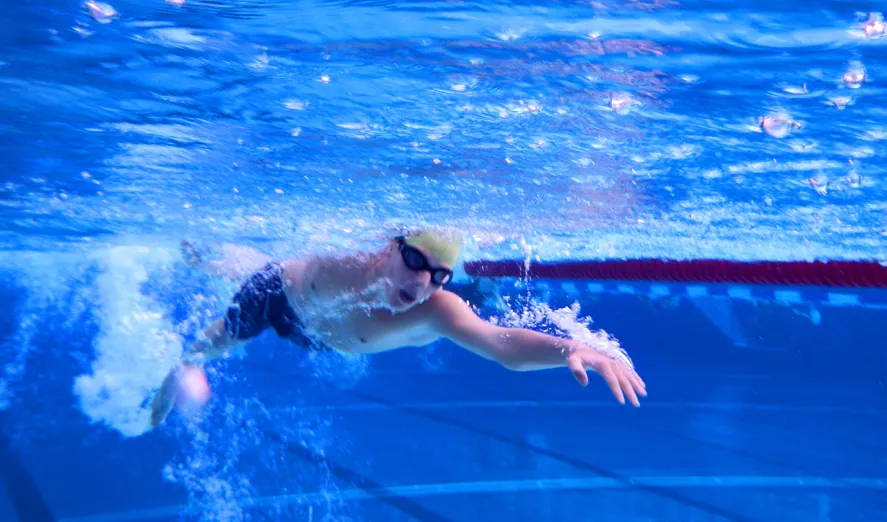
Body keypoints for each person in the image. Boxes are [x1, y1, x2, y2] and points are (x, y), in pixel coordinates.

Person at [151, 229, 647, 427]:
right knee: (210, 345)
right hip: (279, 297)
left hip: (321, 335)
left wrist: (572, 350)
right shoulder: (341, 256)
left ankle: (221, 262)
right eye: (415, 262)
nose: (423, 282)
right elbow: (285, 267)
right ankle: (203, 286)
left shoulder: (436, 311)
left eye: (439, 275)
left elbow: (503, 345)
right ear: (387, 250)